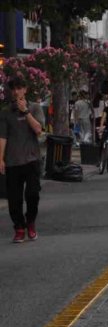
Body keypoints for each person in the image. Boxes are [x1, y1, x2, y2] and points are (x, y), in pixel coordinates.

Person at [0, 76, 45, 242]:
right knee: (14, 199)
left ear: (25, 89)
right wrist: (1, 159)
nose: (16, 91)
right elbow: (2, 137)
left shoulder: (35, 108)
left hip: (32, 159)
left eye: (19, 88)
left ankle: (30, 222)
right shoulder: (6, 112)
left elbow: (39, 129)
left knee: (33, 195)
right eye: (14, 89)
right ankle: (19, 227)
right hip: (12, 161)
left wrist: (25, 111)